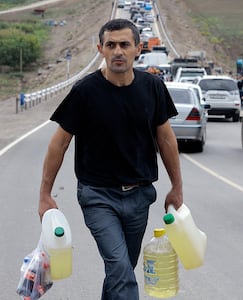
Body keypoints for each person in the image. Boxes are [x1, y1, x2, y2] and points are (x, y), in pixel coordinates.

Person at [38, 18, 183, 300]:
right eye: (111, 45)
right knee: (119, 268)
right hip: (97, 196)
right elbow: (60, 143)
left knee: (123, 270)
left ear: (138, 49)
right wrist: (45, 193)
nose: (118, 51)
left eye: (124, 45)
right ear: (100, 49)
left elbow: (166, 139)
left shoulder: (153, 87)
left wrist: (177, 187)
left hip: (140, 195)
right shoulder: (85, 91)